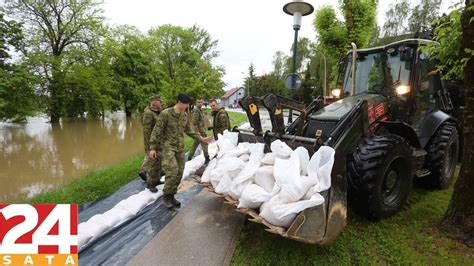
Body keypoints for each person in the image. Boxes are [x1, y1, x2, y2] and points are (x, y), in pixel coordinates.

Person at [148, 93, 212, 209]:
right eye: (185, 104)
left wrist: (201, 138)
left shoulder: (184, 115)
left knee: (179, 172)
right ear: (178, 102)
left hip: (180, 148)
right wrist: (152, 148)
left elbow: (189, 130)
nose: (187, 106)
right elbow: (157, 131)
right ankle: (166, 196)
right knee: (172, 170)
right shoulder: (165, 114)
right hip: (168, 147)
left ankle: (172, 195)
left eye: (188, 104)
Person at [140, 96, 164, 191]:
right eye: (159, 101)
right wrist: (150, 146)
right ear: (154, 102)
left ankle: (156, 180)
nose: (161, 103)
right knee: (153, 163)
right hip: (152, 143)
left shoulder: (157, 111)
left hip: (158, 142)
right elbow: (147, 131)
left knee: (158, 162)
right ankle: (150, 184)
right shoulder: (148, 113)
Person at [187, 98, 210, 164]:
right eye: (198, 102)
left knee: (195, 145)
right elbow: (195, 123)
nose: (200, 103)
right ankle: (207, 158)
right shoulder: (196, 110)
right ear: (196, 103)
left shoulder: (200, 110)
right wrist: (197, 133)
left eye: (201, 102)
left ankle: (189, 158)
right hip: (200, 132)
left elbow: (201, 121)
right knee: (205, 144)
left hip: (201, 130)